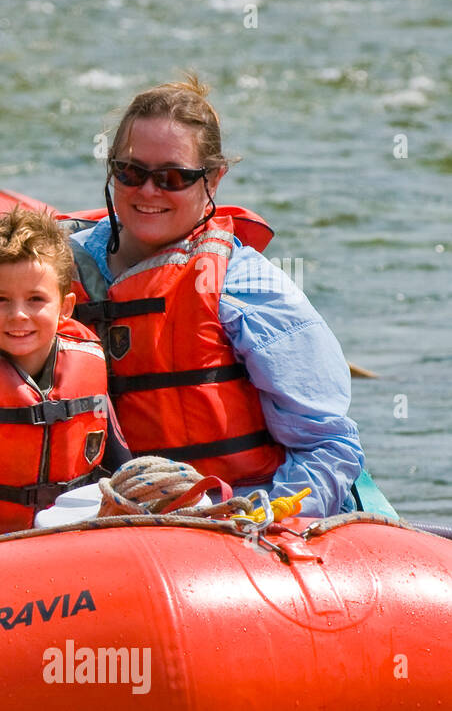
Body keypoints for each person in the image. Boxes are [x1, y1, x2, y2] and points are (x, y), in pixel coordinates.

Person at [66, 75, 363, 517]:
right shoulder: (59, 269)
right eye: (131, 172)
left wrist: (263, 517)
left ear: (214, 179)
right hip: (106, 510)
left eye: (172, 177)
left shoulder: (250, 289)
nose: (148, 191)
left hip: (232, 512)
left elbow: (328, 446)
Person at [0, 208, 129, 541]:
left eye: (36, 299)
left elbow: (124, 473)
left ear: (65, 307)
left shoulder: (89, 369)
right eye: (1, 300)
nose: (18, 315)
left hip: (77, 542)